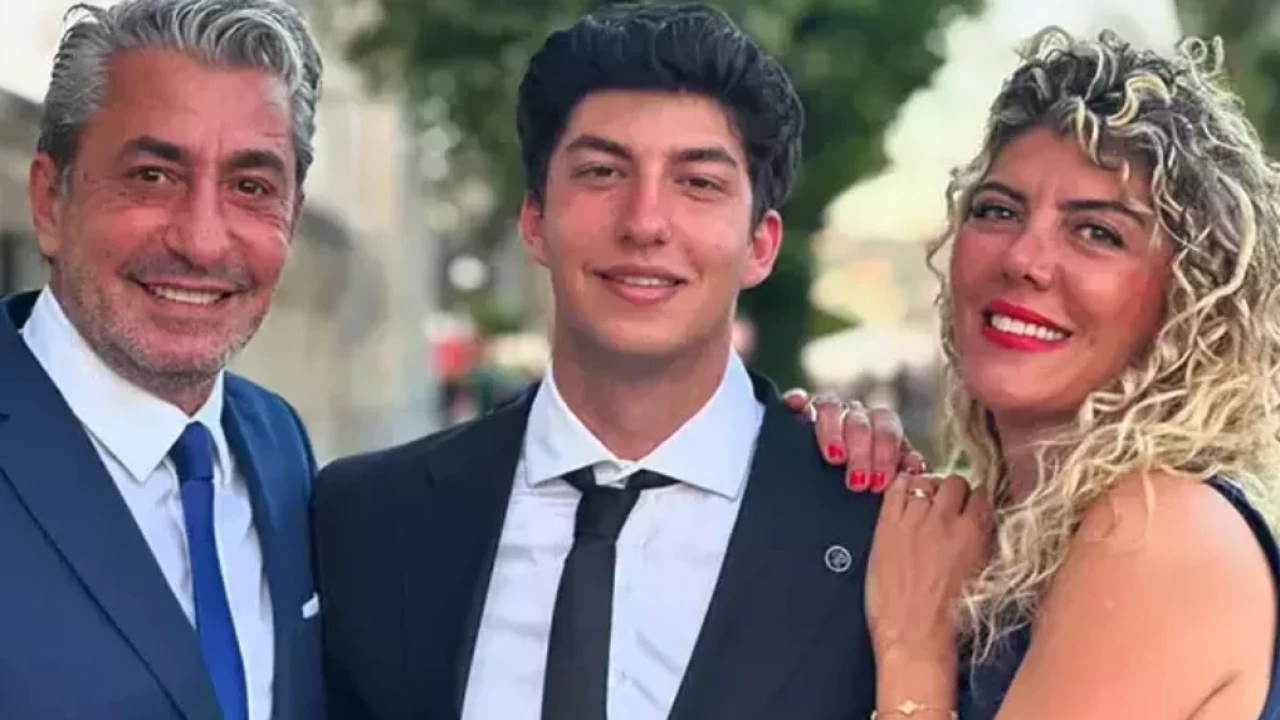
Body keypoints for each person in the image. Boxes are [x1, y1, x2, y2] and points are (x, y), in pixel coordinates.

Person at [311, 4, 918, 719]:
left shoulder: (878, 532)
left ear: (761, 244)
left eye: (698, 182)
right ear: (535, 219)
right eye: (602, 172)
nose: (644, 222)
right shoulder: (366, 518)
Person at [797, 27, 1280, 719]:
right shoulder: (1002, 545)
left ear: (1189, 300)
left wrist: (913, 653)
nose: (1024, 258)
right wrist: (806, 473)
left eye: (1098, 232)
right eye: (998, 211)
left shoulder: (1159, 529)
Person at [0, 1, 325, 718]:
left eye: (251, 187)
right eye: (152, 176)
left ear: (292, 218)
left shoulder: (279, 444)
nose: (203, 242)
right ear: (50, 202)